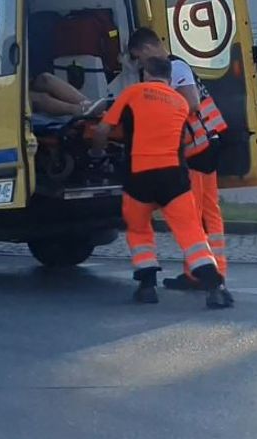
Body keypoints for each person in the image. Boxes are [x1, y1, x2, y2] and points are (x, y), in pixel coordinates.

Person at [91, 56, 232, 309]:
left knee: (139, 229)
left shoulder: (132, 93)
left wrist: (97, 153)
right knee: (191, 233)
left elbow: (103, 130)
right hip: (173, 177)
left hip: (139, 175)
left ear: (145, 74)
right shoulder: (180, 102)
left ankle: (147, 286)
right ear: (169, 77)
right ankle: (215, 287)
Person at [126, 27, 229, 291]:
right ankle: (215, 269)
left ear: (148, 49)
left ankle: (198, 275)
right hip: (208, 142)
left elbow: (191, 103)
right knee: (209, 213)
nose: (140, 64)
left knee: (193, 216)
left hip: (196, 148)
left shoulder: (175, 68)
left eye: (139, 57)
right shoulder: (179, 67)